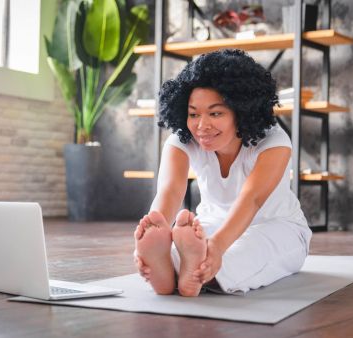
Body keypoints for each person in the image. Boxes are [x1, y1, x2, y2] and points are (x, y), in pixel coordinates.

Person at [133, 49, 312, 297]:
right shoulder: (182, 140)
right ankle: (171, 269)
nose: (201, 126)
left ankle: (188, 272)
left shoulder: (274, 141)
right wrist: (156, 228)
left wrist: (216, 247)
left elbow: (253, 199)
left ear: (242, 111)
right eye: (193, 114)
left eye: (215, 113)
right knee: (181, 251)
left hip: (276, 226)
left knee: (243, 254)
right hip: (209, 224)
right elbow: (170, 191)